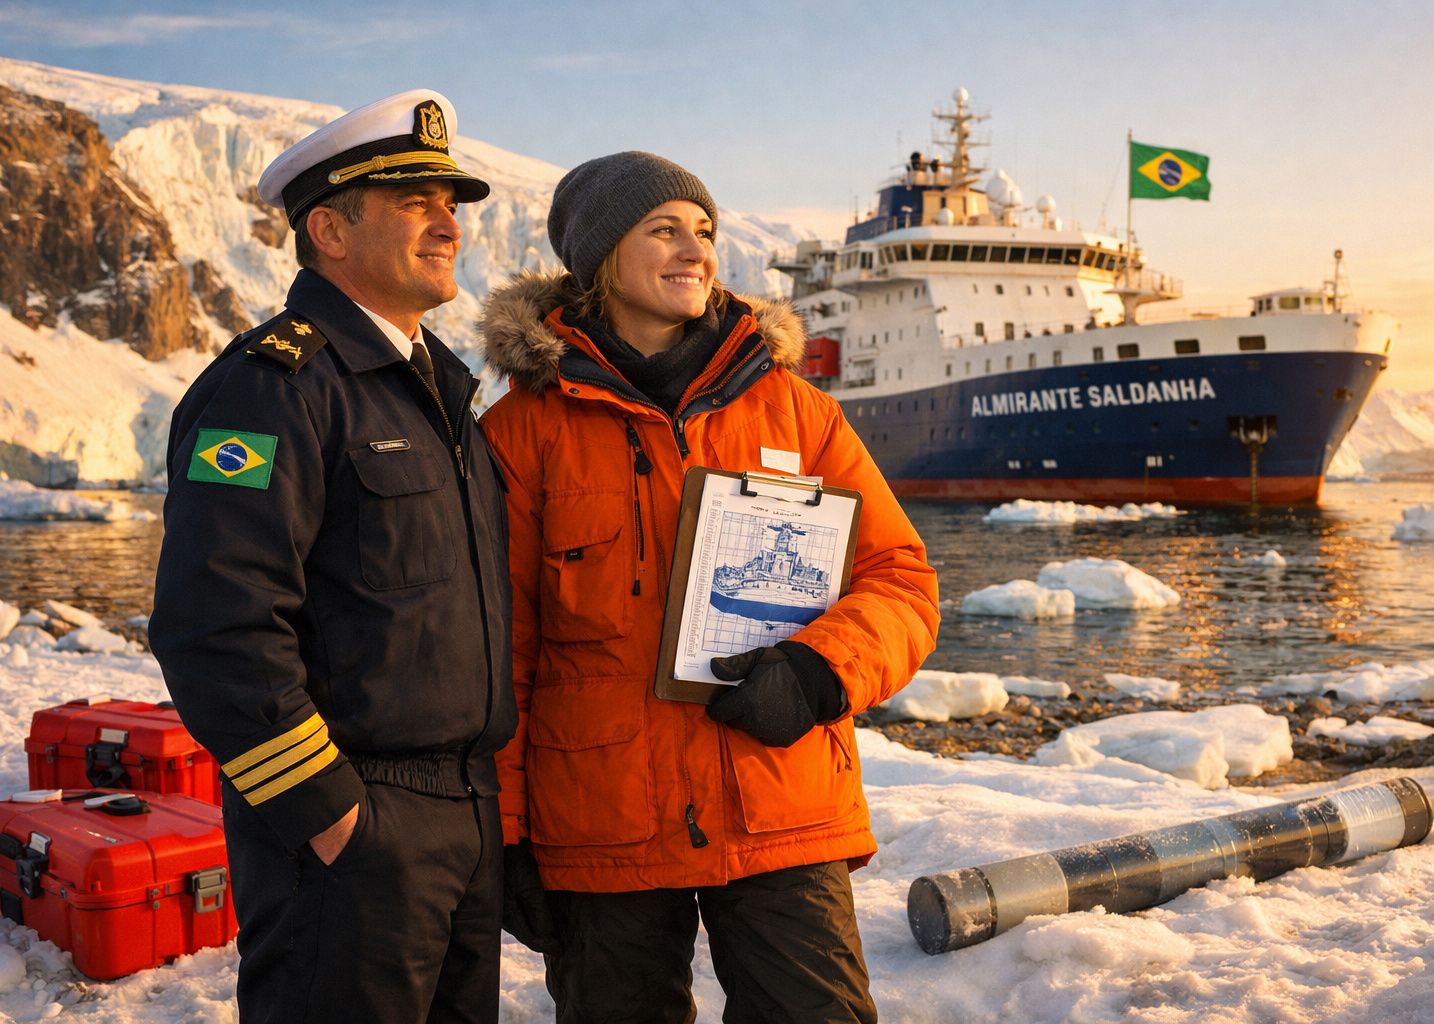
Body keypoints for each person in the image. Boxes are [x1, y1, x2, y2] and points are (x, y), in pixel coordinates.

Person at [479, 151, 940, 1023]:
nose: (695, 250)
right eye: (664, 230)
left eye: (705, 232)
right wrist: (504, 835)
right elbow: (500, 650)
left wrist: (816, 671)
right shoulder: (522, 431)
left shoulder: (797, 410)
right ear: (600, 256)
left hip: (781, 801)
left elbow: (900, 578)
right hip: (601, 821)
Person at [149, 90, 516, 1024]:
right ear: (331, 230)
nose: (448, 223)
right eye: (413, 200)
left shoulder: (434, 396)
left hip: (465, 821)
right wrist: (331, 817)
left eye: (452, 204)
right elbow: (214, 628)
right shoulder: (275, 389)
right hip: (358, 825)